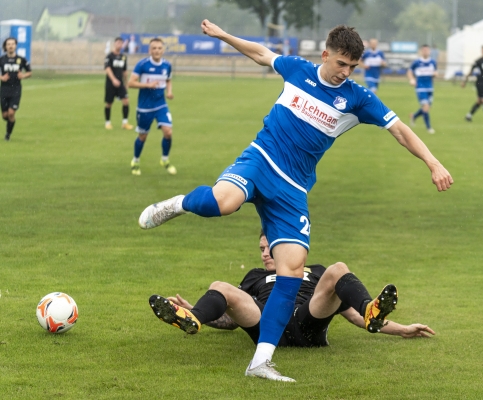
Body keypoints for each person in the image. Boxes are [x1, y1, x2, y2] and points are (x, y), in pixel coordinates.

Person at [138, 20, 453, 382]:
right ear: (325, 55)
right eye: (340, 64)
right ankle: (176, 204)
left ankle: (260, 362)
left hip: (292, 189)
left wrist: (433, 162)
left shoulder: (358, 98)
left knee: (291, 267)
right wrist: (224, 35)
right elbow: (260, 53)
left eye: (352, 67)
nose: (345, 73)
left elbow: (399, 129)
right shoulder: (297, 71)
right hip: (260, 160)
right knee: (220, 204)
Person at [148, 231, 435, 382]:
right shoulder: (254, 276)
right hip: (266, 325)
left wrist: (401, 330)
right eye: (260, 248)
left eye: (268, 247)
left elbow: (352, 316)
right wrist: (206, 317)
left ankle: (370, 305)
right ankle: (192, 318)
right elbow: (233, 320)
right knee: (220, 286)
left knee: (337, 269)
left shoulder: (314, 270)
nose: (263, 253)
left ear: (283, 246)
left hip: (307, 320)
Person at [127, 38, 176, 176]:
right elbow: (130, 83)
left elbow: (168, 79)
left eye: (159, 48)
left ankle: (165, 160)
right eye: (154, 48)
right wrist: (147, 85)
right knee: (143, 136)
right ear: (149, 50)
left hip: (161, 105)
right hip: (144, 107)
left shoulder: (167, 65)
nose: (157, 51)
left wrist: (169, 92)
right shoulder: (142, 65)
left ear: (163, 50)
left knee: (168, 132)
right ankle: (135, 161)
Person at [0, 37, 32, 141]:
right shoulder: (2, 59)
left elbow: (29, 72)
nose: (10, 46)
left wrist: (23, 76)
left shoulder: (21, 59)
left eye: (12, 44)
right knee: (5, 115)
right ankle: (10, 123)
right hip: (4, 90)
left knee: (11, 113)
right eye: (8, 44)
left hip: (16, 90)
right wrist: (2, 77)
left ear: (15, 45)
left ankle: (8, 135)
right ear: (5, 46)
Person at [104, 37, 133, 131]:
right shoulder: (109, 56)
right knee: (109, 103)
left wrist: (126, 82)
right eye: (117, 43)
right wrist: (113, 80)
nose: (119, 45)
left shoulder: (123, 57)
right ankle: (107, 123)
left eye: (121, 43)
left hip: (120, 84)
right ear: (114, 44)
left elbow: (124, 71)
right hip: (111, 83)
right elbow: (107, 69)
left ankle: (125, 123)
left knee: (126, 101)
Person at [407, 44, 437, 134]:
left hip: (430, 88)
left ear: (429, 51)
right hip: (420, 88)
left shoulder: (433, 62)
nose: (425, 52)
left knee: (426, 108)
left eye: (427, 50)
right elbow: (409, 71)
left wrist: (435, 74)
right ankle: (429, 128)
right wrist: (412, 79)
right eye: (424, 50)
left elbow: (435, 72)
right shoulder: (417, 62)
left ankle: (414, 116)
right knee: (426, 106)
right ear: (421, 51)